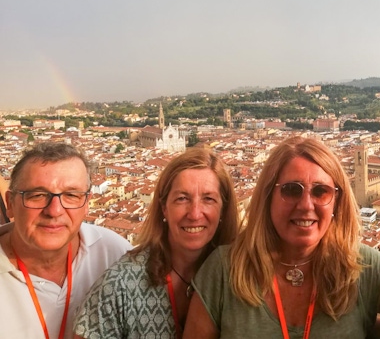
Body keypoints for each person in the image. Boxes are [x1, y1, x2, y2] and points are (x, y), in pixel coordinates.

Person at [183, 136, 380, 338]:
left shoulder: (361, 267)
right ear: (268, 196)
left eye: (321, 191)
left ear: (337, 201)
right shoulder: (224, 270)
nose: (306, 205)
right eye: (292, 190)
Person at [73, 146, 239, 339]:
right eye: (182, 198)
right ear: (164, 208)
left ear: (223, 210)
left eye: (208, 199)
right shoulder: (121, 285)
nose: (194, 214)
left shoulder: (241, 278)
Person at [0, 142, 132, 339]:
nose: (54, 211)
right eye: (37, 195)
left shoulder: (114, 254)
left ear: (87, 204)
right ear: (10, 204)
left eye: (71, 195)